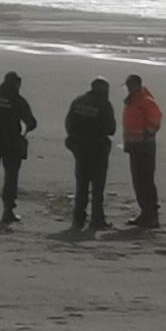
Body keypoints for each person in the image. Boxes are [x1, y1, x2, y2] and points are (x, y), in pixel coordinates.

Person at [60, 77, 117, 231]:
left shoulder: (78, 101)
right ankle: (97, 219)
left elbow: (69, 124)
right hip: (98, 149)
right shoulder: (104, 105)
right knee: (98, 188)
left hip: (80, 149)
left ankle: (78, 219)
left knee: (82, 185)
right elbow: (111, 128)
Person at [0, 70, 40, 227]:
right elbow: (31, 122)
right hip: (10, 142)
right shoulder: (18, 100)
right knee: (11, 177)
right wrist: (26, 131)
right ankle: (8, 210)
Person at [120, 73, 164, 229]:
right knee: (138, 181)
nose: (128, 89)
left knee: (145, 181)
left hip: (144, 147)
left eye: (130, 86)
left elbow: (156, 118)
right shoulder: (133, 101)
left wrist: (148, 133)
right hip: (134, 146)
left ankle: (151, 215)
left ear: (137, 85)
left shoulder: (145, 101)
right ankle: (145, 213)